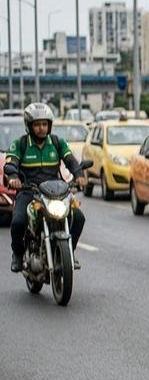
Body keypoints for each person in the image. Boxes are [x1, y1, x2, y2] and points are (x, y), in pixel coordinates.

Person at [5, 103, 88, 273]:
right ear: (29, 126)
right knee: (18, 222)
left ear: (49, 125)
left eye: (44, 124)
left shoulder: (57, 142)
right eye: (37, 125)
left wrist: (79, 175)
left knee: (79, 217)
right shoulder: (20, 144)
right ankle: (18, 255)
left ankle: (69, 253)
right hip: (30, 191)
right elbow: (11, 163)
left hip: (56, 192)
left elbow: (71, 161)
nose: (41, 128)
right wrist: (13, 178)